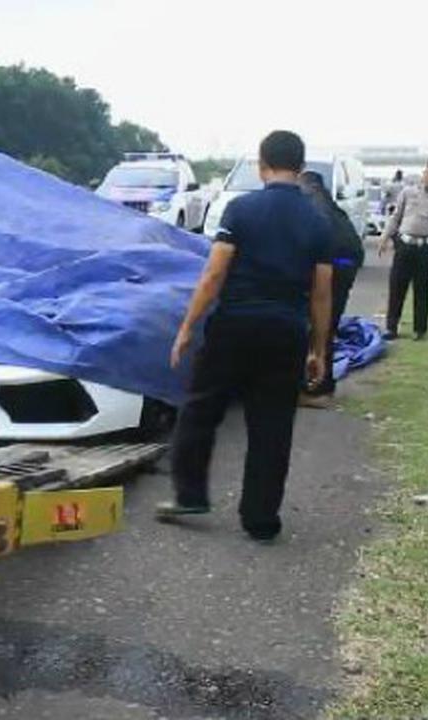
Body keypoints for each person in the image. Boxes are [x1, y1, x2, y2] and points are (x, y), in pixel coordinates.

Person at [156, 130, 333, 543]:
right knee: (272, 425)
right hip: (286, 331)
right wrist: (318, 349)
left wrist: (187, 327)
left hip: (235, 326)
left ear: (262, 164)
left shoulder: (241, 210)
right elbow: (321, 293)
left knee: (201, 408)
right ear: (301, 167)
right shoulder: (317, 222)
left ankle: (191, 495)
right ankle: (260, 519)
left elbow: (215, 273)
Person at [298, 169, 365, 406]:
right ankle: (322, 385)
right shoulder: (330, 203)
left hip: (332, 263)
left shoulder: (309, 202)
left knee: (316, 325)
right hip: (348, 262)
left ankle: (314, 388)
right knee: (328, 324)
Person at [380, 158, 428, 341]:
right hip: (405, 244)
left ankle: (420, 329)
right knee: (397, 286)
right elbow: (396, 216)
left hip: (426, 247)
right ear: (424, 172)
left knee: (421, 289)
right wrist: (385, 236)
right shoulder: (408, 192)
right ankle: (391, 327)